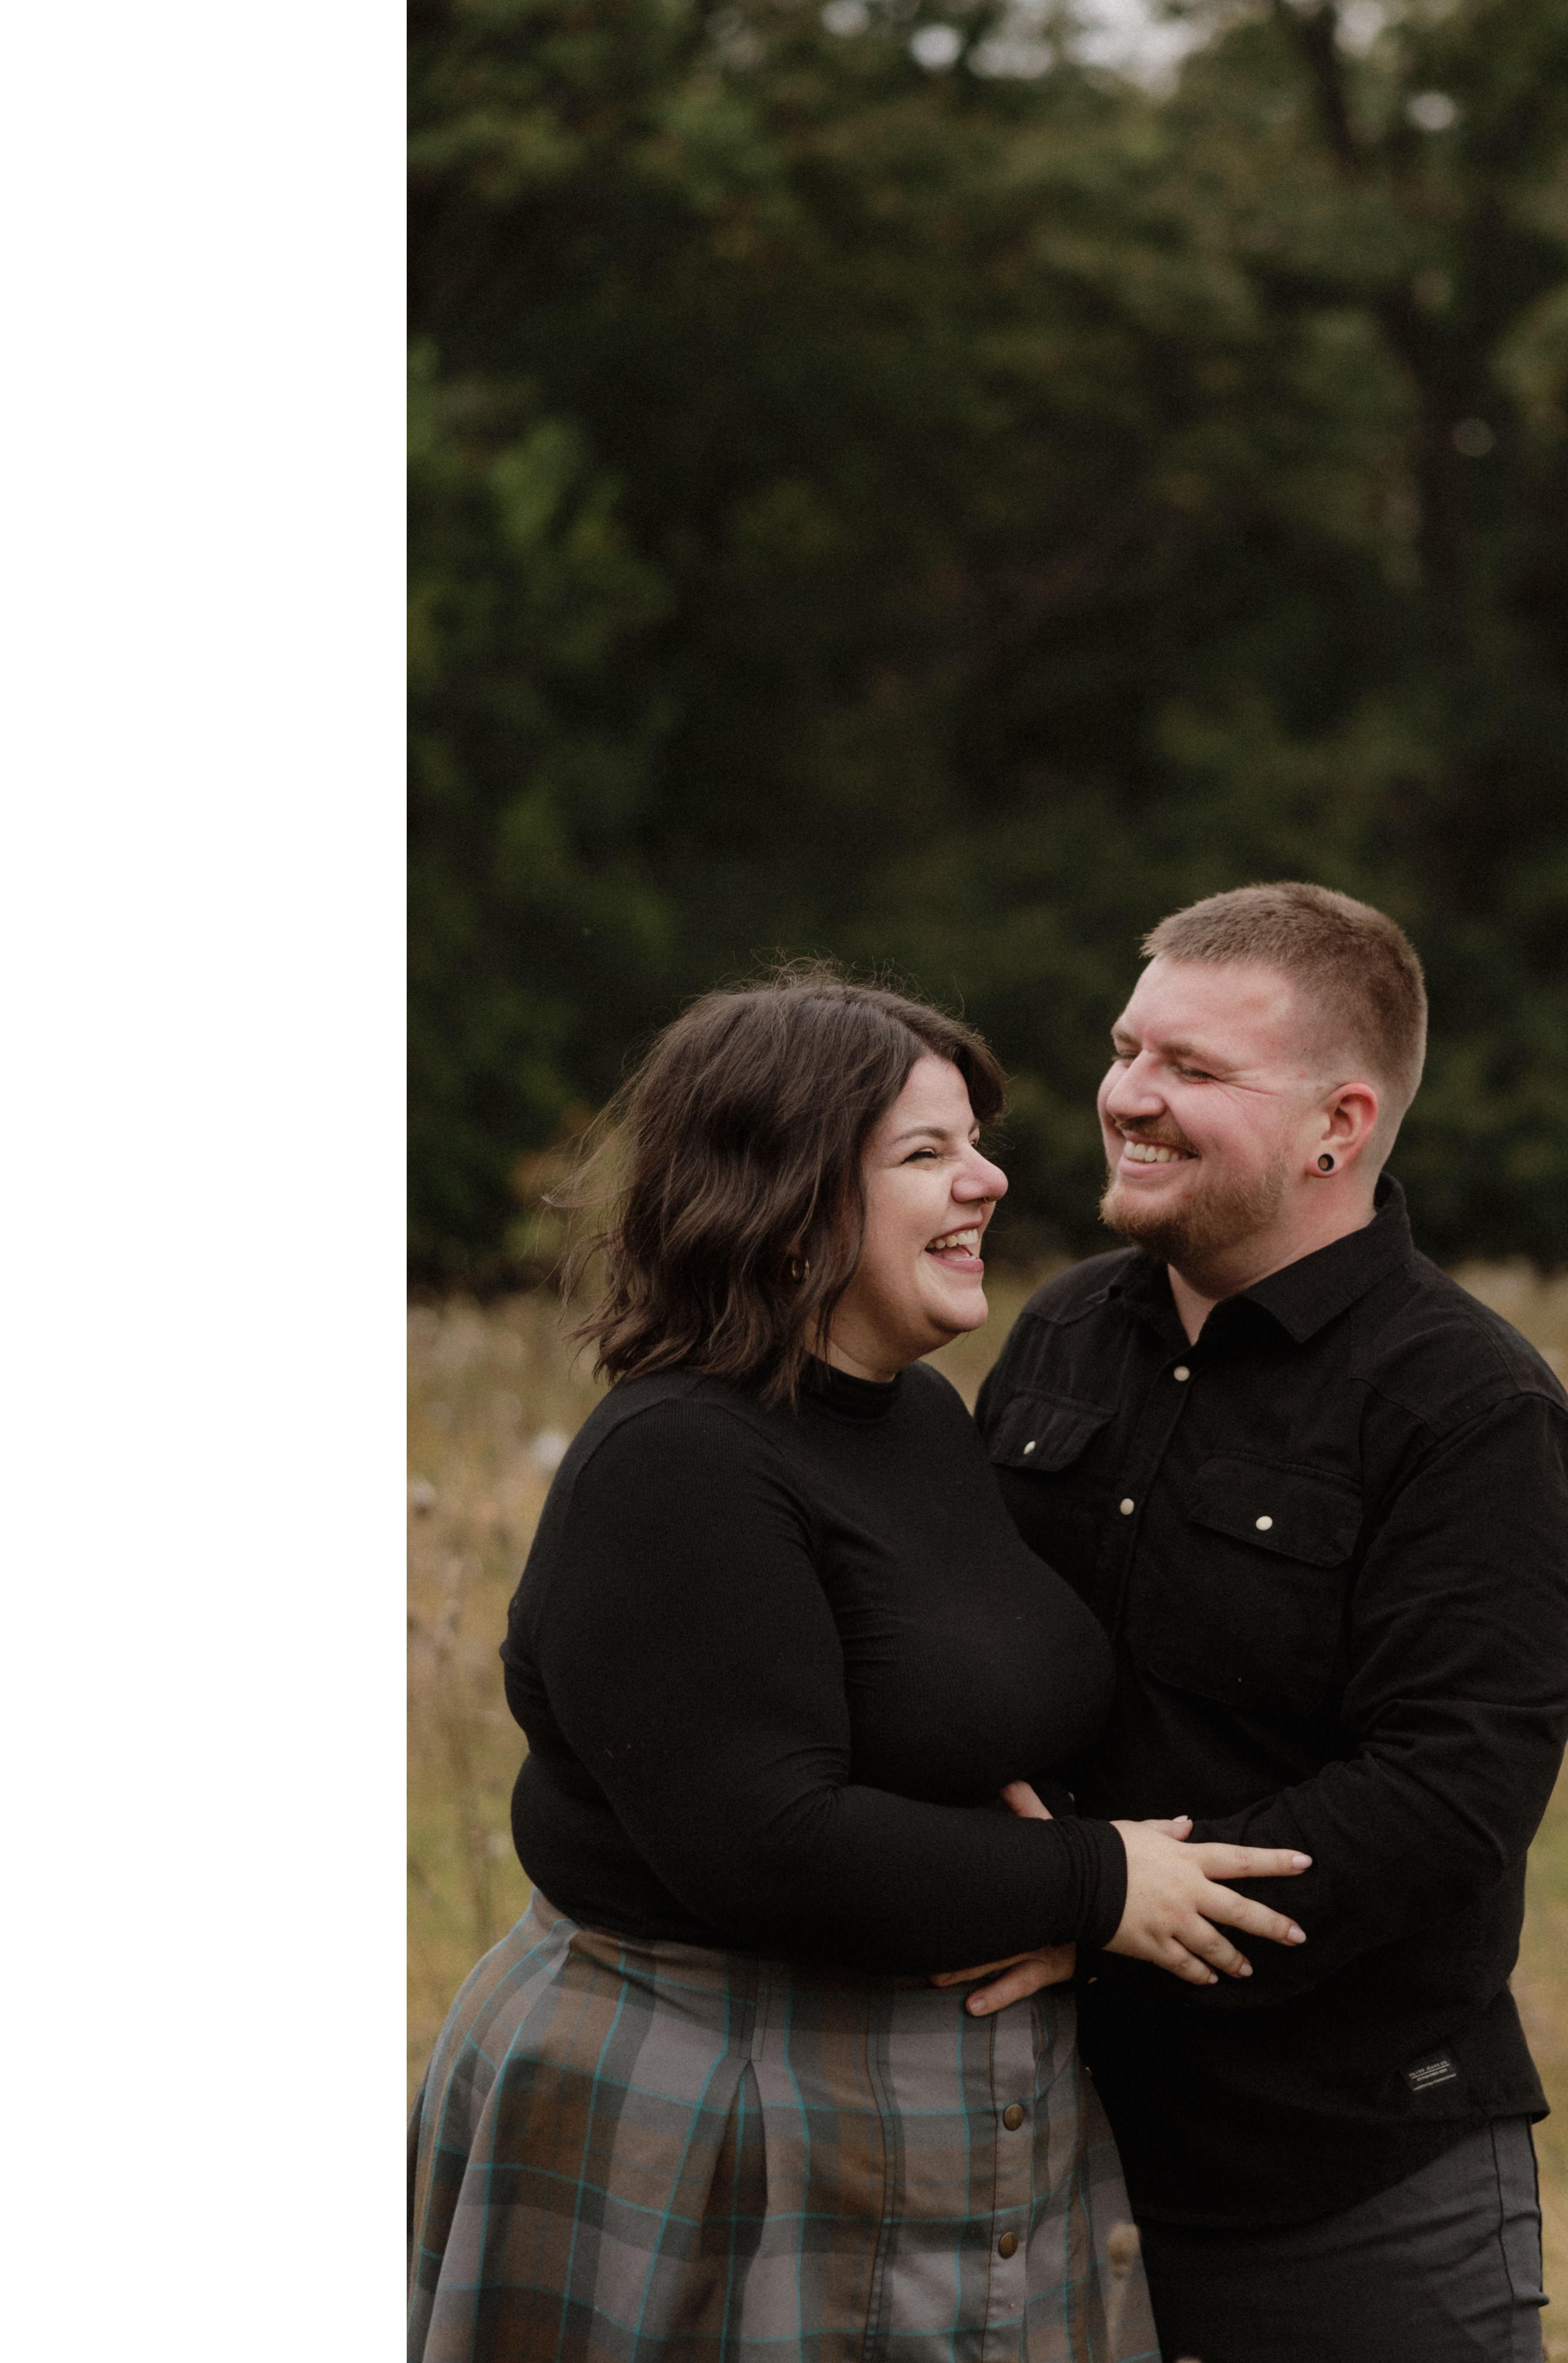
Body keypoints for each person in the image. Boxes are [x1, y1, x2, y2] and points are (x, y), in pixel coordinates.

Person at [409, 968, 1312, 2363]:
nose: (988, 1180)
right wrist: (1095, 1880)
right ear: (784, 1203)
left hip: (928, 2107)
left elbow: (943, 1706)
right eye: (925, 1153)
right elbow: (764, 1842)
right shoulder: (676, 1461)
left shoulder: (920, 1417)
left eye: (976, 1144)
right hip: (706, 2105)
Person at [967, 884, 1568, 2363]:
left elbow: (1447, 1794)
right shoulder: (1063, 1331)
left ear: (1339, 1122)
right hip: (1028, 2141)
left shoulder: (1469, 1408)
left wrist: (1106, 1910)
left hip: (1339, 2175)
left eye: (1193, 1068)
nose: (1129, 1095)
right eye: (1128, 1049)